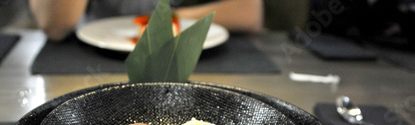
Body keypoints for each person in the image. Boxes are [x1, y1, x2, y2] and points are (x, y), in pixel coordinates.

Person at [29, 0, 264, 41]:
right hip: (85, 57)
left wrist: (165, 19)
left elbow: (249, 12)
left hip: (190, 58)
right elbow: (55, 25)